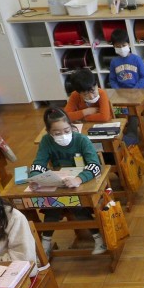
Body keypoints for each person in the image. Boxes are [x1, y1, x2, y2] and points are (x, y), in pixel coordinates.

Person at [30, 108, 105, 256]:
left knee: (76, 204)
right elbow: (39, 163)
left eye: (66, 130)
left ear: (71, 126)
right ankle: (45, 243)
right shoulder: (46, 141)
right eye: (57, 133)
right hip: (60, 183)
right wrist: (35, 178)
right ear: (49, 132)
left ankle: (99, 239)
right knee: (52, 205)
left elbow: (95, 166)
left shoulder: (81, 140)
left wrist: (78, 179)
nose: (63, 135)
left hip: (83, 182)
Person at [108, 29, 144, 106]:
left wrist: (135, 89)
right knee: (115, 109)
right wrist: (119, 91)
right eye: (118, 46)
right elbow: (112, 80)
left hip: (137, 91)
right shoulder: (114, 62)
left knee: (134, 107)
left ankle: (134, 116)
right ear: (114, 47)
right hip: (121, 93)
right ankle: (124, 116)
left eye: (124, 45)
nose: (121, 48)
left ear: (128, 44)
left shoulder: (137, 59)